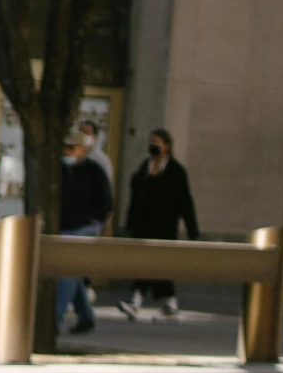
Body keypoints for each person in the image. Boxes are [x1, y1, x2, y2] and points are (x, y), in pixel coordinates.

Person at [117, 129, 199, 319]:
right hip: (143, 225)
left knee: (161, 265)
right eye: (151, 141)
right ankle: (139, 302)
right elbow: (137, 197)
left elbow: (185, 201)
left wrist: (192, 229)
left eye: (157, 142)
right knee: (143, 264)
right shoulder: (145, 166)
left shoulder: (176, 171)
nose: (153, 145)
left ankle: (166, 303)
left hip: (164, 226)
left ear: (166, 146)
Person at [56, 132, 113, 335]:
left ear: (81, 148)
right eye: (65, 147)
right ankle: (85, 315)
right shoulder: (61, 169)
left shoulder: (94, 171)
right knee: (73, 272)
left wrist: (95, 221)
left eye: (71, 147)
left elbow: (106, 201)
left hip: (85, 227)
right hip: (66, 226)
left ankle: (56, 317)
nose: (67, 151)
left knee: (68, 269)